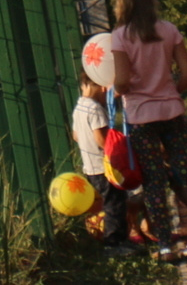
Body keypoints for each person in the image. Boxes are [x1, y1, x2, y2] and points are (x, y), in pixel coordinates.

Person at [109, 0, 187, 261]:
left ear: (122, 3)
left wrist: (121, 89)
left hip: (141, 117)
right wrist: (173, 91)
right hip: (172, 111)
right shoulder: (168, 30)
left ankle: (166, 246)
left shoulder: (120, 36)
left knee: (154, 182)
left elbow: (120, 80)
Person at [75, 73, 134, 249]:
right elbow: (101, 138)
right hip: (104, 167)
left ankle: (118, 240)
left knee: (109, 203)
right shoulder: (95, 108)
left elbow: (76, 135)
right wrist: (115, 149)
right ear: (101, 87)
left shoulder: (79, 107)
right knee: (115, 204)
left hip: (90, 167)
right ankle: (114, 243)